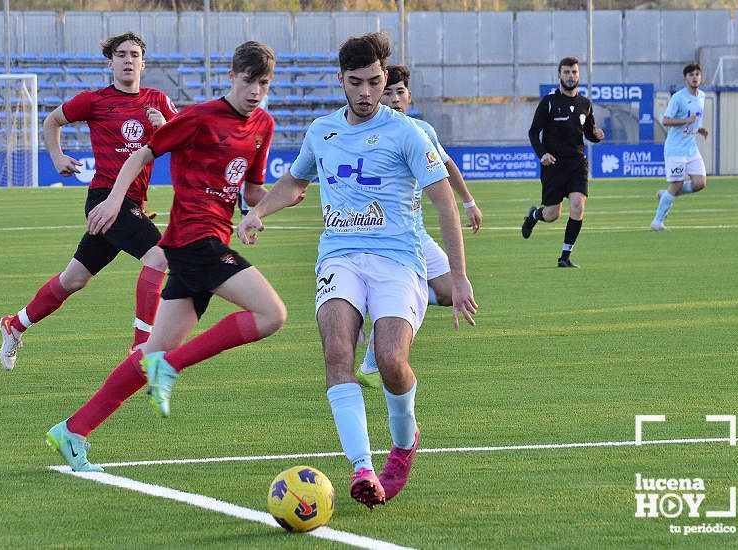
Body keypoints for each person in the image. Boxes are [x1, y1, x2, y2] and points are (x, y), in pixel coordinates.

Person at [237, 33, 477, 509]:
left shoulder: (406, 132)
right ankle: (363, 468)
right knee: (338, 351)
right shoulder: (321, 131)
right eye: (356, 83)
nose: (366, 92)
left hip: (398, 260)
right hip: (339, 257)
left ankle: (404, 444)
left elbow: (444, 202)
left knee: (390, 360)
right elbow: (295, 182)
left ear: (385, 78)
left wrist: (460, 274)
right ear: (340, 82)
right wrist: (259, 210)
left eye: (374, 81)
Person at [46, 41, 286, 473]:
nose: (255, 91)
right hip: (194, 242)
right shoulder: (198, 117)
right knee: (272, 315)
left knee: (151, 351)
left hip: (208, 242)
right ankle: (170, 366)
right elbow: (143, 153)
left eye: (263, 83)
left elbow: (251, 193)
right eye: (248, 81)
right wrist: (115, 201)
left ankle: (73, 430)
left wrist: (270, 206)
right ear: (231, 77)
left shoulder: (263, 125)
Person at [0, 32, 178, 370]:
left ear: (143, 62)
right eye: (120, 54)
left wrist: (166, 125)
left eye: (134, 54)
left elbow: (185, 142)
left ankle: (15, 324)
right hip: (105, 199)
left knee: (74, 279)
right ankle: (141, 349)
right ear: (109, 62)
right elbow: (52, 121)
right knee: (159, 257)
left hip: (133, 201)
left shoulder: (159, 101)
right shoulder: (95, 100)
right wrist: (56, 157)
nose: (128, 60)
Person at [356, 64, 483, 389]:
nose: (395, 98)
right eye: (389, 92)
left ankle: (380, 305)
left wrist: (468, 201)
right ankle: (373, 351)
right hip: (383, 238)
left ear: (409, 95)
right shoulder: (369, 132)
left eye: (400, 92)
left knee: (450, 293)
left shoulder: (421, 129)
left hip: (417, 235)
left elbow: (446, 163)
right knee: (409, 296)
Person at [520, 56, 604, 268]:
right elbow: (533, 132)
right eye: (566, 72)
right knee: (551, 214)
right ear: (559, 75)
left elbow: (589, 133)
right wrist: (542, 154)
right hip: (553, 165)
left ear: (579, 75)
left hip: (577, 164)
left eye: (574, 72)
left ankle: (565, 257)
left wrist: (596, 136)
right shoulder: (549, 102)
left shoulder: (586, 104)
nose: (570, 76)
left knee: (578, 205)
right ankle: (535, 215)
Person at [651, 62, 709, 231]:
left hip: (691, 147)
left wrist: (698, 129)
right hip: (676, 148)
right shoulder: (678, 98)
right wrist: (686, 121)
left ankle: (667, 194)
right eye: (691, 75)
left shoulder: (702, 96)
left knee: (700, 183)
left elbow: (694, 119)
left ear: (701, 77)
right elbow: (666, 120)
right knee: (676, 184)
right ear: (685, 79)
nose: (694, 77)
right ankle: (657, 222)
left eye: (697, 74)